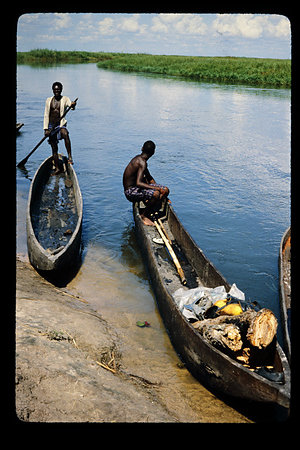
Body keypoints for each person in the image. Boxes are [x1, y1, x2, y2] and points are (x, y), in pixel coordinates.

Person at [123, 140, 170, 226]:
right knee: (155, 194)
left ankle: (151, 204)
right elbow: (138, 183)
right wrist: (158, 189)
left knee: (166, 190)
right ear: (153, 152)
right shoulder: (142, 162)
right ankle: (144, 216)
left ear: (142, 149)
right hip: (130, 191)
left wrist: (162, 192)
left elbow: (149, 177)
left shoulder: (140, 159)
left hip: (137, 188)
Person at [44, 82, 76, 175]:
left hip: (60, 124)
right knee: (54, 148)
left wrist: (73, 104)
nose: (56, 91)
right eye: (55, 89)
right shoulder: (48, 100)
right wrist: (46, 129)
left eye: (58, 89)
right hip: (51, 126)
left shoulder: (65, 99)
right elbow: (46, 115)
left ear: (61, 90)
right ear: (53, 90)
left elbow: (71, 106)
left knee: (65, 133)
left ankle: (70, 157)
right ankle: (58, 168)